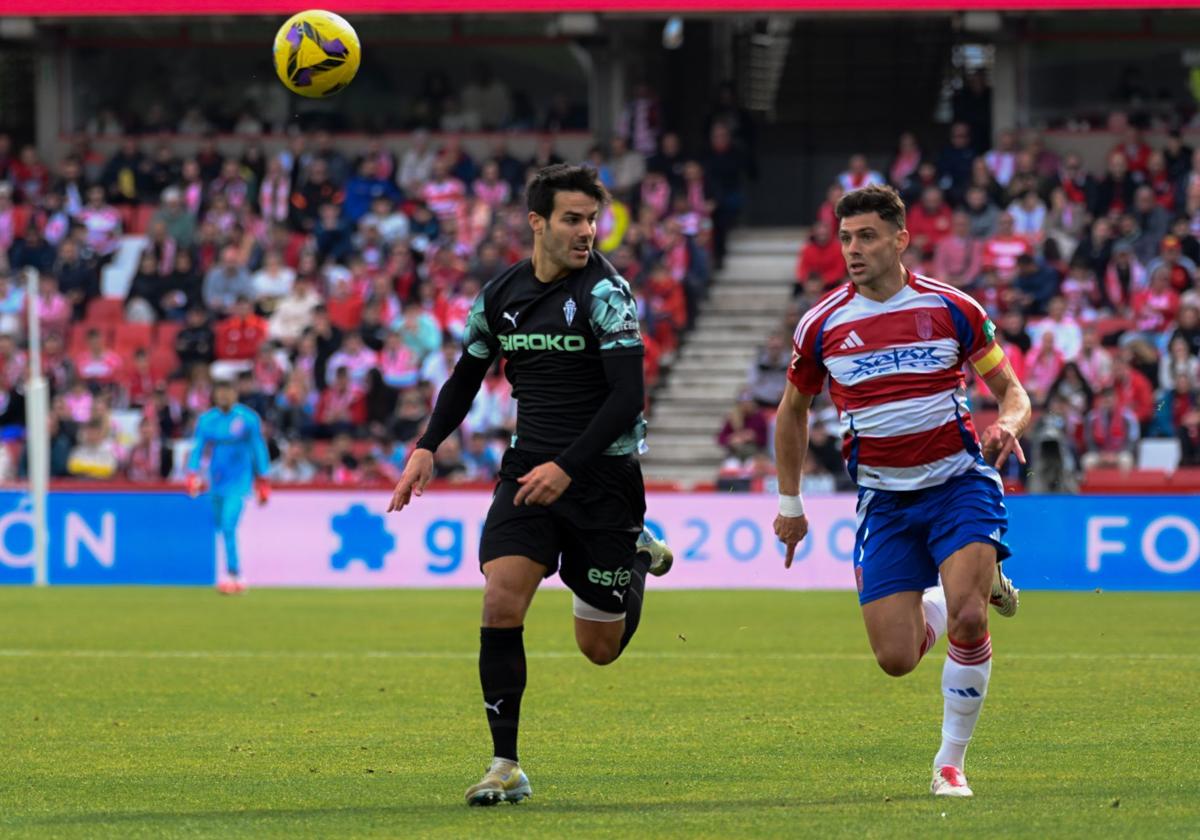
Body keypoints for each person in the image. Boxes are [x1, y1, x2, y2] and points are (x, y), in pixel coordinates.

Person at [386, 164, 673, 807]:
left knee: (598, 649)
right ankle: (504, 763)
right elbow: (466, 376)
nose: (587, 232)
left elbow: (628, 396)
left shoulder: (607, 294)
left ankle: (633, 557)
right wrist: (427, 446)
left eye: (593, 220)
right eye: (573, 219)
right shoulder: (500, 295)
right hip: (527, 473)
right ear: (537, 222)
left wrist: (569, 465)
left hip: (601, 477)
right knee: (500, 602)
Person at [773, 185, 1029, 798]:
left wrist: (1009, 425)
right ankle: (964, 589)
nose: (852, 250)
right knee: (896, 657)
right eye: (844, 239)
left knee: (970, 618)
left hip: (958, 484)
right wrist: (790, 503)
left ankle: (950, 762)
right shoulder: (822, 325)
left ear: (899, 239)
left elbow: (1013, 393)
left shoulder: (952, 308)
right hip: (884, 500)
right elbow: (792, 412)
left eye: (865, 237)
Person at [186, 378, 271, 594]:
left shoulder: (247, 419)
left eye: (228, 392)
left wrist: (263, 478)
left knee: (228, 524)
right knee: (219, 524)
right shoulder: (207, 421)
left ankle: (235, 574)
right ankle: (230, 572)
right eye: (220, 392)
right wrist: (192, 472)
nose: (224, 396)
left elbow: (258, 447)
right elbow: (198, 448)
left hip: (240, 481)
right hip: (217, 481)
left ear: (235, 394)